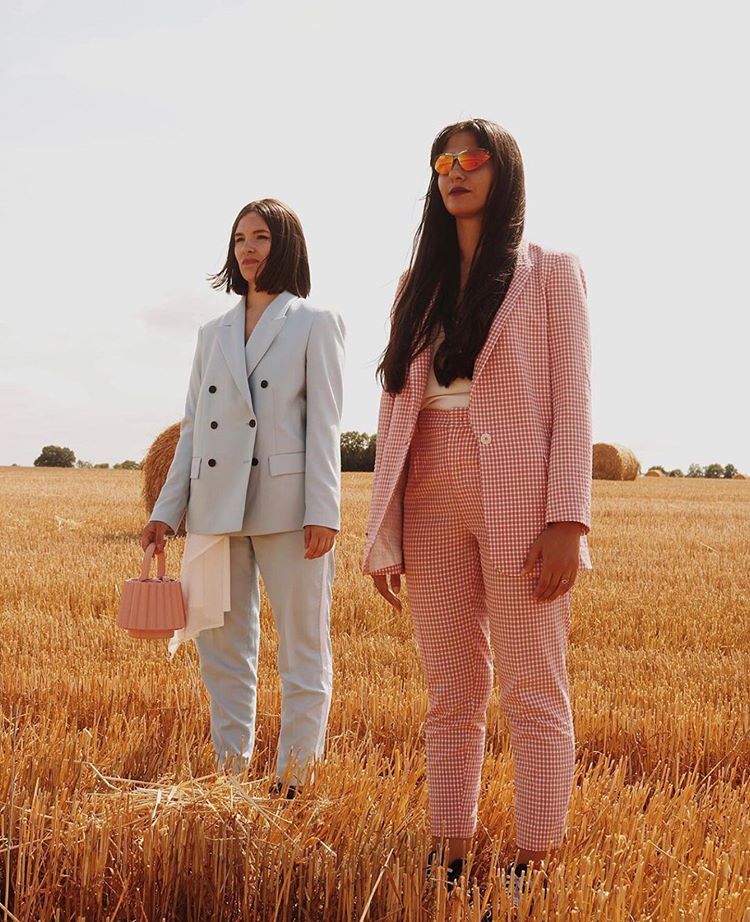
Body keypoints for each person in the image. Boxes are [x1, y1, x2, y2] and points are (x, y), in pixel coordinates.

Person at [362, 119, 592, 908]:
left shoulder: (551, 273)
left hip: (521, 499)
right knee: (451, 690)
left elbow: (574, 400)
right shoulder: (415, 282)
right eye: (442, 161)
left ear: (504, 170)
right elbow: (396, 408)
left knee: (533, 686)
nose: (454, 171)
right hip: (427, 489)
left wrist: (568, 518)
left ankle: (535, 857)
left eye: (471, 158)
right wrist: (385, 528)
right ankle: (448, 849)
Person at [142, 198, 345, 795]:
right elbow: (192, 427)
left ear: (286, 245)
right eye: (239, 239)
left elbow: (326, 426)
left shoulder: (314, 322)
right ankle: (229, 776)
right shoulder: (212, 333)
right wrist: (165, 512)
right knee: (223, 652)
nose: (249, 249)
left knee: (303, 650)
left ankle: (295, 781)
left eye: (261, 237)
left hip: (289, 509)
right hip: (215, 509)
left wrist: (324, 510)